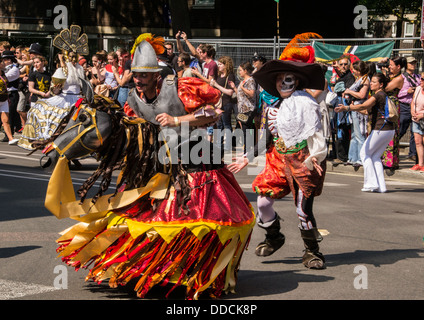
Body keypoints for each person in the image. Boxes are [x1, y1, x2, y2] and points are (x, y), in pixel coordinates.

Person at [51, 34, 255, 300]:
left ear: (156, 75)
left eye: (144, 75)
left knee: (193, 218)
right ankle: (150, 269)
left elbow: (213, 113)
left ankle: (193, 271)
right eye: (135, 75)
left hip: (196, 159)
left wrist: (177, 119)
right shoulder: (133, 98)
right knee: (148, 216)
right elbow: (130, 126)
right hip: (157, 164)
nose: (138, 79)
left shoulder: (178, 85)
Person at [228, 44, 328, 269]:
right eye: (280, 78)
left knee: (303, 210)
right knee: (262, 202)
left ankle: (312, 252)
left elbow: (317, 136)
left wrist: (315, 156)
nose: (283, 83)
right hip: (277, 159)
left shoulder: (308, 105)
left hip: (304, 160)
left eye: (288, 78)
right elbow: (266, 138)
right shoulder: (271, 108)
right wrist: (248, 157)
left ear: (298, 81)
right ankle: (274, 236)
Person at [18, 26, 87, 151]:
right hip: (64, 98)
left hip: (78, 99)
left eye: (74, 57)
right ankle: (44, 139)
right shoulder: (61, 70)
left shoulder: (80, 70)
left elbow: (85, 85)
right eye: (70, 57)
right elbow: (55, 90)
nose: (73, 60)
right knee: (40, 109)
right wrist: (56, 88)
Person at [335, 73, 394, 193]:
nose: (371, 84)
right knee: (375, 156)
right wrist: (355, 108)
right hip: (388, 130)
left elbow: (365, 105)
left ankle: (371, 184)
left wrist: (347, 108)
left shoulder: (378, 95)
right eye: (371, 81)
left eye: (374, 82)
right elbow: (367, 111)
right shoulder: (382, 95)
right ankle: (381, 186)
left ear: (381, 84)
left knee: (364, 153)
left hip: (381, 129)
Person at [380, 56, 406, 175]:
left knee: (392, 133)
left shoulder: (399, 78)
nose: (389, 67)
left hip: (392, 106)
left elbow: (385, 88)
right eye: (389, 65)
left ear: (398, 67)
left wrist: (384, 75)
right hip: (386, 104)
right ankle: (384, 158)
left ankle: (391, 161)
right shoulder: (391, 76)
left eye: (391, 65)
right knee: (384, 131)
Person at [343, 60, 370, 166]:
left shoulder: (365, 79)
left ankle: (361, 158)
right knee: (354, 134)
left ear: (359, 70)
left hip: (359, 109)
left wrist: (349, 91)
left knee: (360, 134)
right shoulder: (358, 79)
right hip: (354, 108)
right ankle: (352, 157)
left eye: (354, 69)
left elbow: (362, 95)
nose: (353, 71)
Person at [331, 55, 355, 163]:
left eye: (346, 64)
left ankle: (342, 157)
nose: (343, 66)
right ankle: (339, 154)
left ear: (349, 65)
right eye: (341, 64)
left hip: (345, 107)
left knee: (343, 130)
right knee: (339, 130)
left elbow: (347, 91)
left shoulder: (350, 77)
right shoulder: (341, 77)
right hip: (339, 106)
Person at [209, 55, 237, 150]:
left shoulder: (230, 76)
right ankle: (218, 145)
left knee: (226, 124)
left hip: (226, 103)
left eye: (220, 64)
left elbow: (230, 92)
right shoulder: (218, 75)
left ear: (226, 65)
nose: (219, 66)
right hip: (218, 103)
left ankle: (227, 145)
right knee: (219, 125)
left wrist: (216, 85)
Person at [230, 61, 256, 153]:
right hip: (242, 108)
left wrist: (243, 88)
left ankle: (247, 151)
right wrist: (235, 88)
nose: (239, 72)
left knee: (246, 129)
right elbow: (240, 95)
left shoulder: (250, 80)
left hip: (247, 109)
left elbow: (252, 93)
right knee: (244, 129)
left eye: (241, 70)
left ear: (245, 71)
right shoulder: (243, 81)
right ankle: (247, 149)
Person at [398, 56, 420, 162]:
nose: (413, 65)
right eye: (411, 63)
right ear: (406, 65)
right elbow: (397, 93)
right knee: (401, 128)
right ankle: (392, 148)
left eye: (414, 63)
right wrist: (407, 91)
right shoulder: (401, 77)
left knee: (414, 131)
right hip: (404, 106)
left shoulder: (418, 77)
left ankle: (412, 153)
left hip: (416, 107)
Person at [2, 50, 24, 136]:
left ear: (10, 60)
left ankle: (9, 134)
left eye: (5, 59)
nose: (3, 62)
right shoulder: (4, 69)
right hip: (4, 94)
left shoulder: (14, 69)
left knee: (9, 114)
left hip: (12, 94)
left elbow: (5, 78)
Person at [0, 60, 19, 144]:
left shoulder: (3, 73)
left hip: (4, 99)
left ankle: (10, 139)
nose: (4, 64)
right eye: (2, 62)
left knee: (6, 120)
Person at [410, 72, 424, 171]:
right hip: (416, 119)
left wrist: (422, 115)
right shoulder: (418, 88)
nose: (421, 81)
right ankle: (420, 164)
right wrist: (412, 112)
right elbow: (413, 101)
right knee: (418, 142)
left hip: (422, 117)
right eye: (421, 78)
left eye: (423, 79)